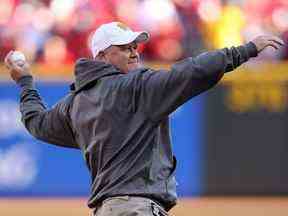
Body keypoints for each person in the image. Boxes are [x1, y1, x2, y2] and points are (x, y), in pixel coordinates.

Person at [4, 22, 284, 216]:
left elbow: (37, 123)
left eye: (135, 45)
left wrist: (26, 82)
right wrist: (245, 51)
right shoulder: (136, 87)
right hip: (137, 208)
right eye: (124, 47)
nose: (134, 51)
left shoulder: (74, 104)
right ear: (101, 55)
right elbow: (192, 72)